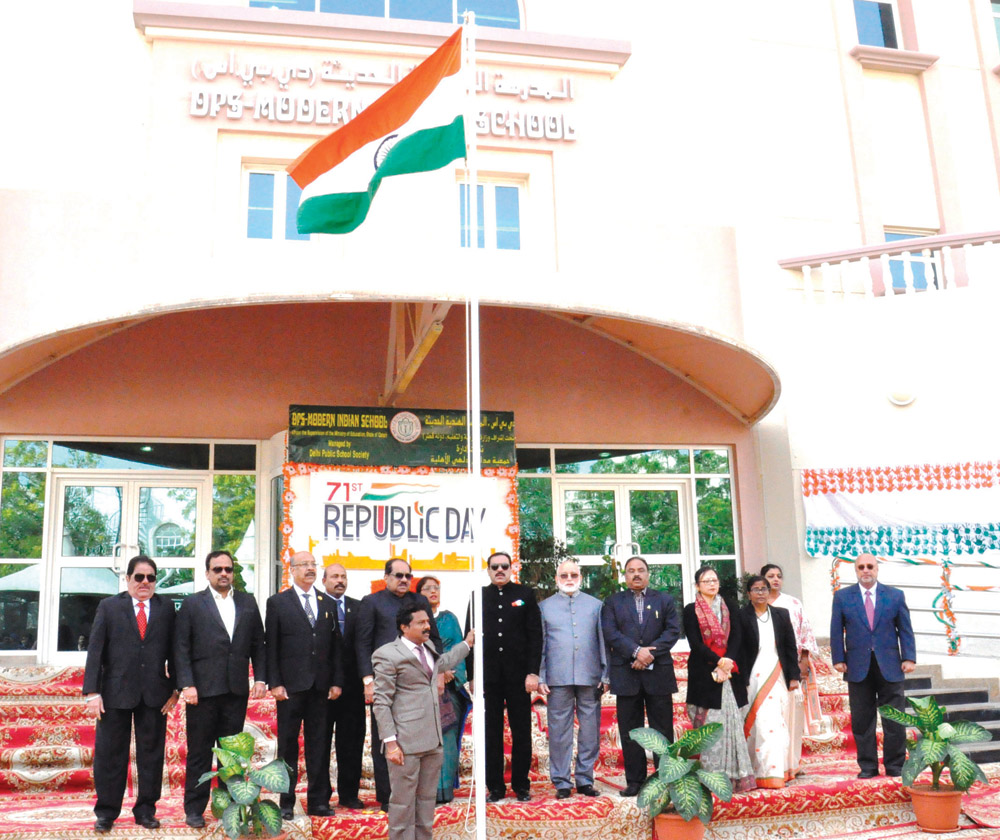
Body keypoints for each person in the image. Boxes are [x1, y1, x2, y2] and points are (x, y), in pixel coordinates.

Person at [83, 556, 179, 833]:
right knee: (110, 755)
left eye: (151, 577)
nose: (145, 582)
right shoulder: (109, 607)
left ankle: (146, 810)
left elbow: (175, 650)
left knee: (152, 755)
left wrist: (175, 689)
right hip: (114, 694)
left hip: (154, 695)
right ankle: (106, 812)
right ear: (128, 579)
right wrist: (92, 692)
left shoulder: (166, 608)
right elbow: (95, 651)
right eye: (139, 577)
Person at [175, 549, 267, 828]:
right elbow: (181, 648)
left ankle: (229, 808)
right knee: (200, 752)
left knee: (232, 755)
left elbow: (258, 645)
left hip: (235, 690)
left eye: (228, 569)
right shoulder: (193, 604)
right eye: (218, 569)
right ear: (207, 573)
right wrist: (187, 684)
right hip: (201, 692)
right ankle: (194, 809)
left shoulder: (248, 602)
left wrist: (261, 678)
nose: (224, 574)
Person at [373, 608, 474, 840]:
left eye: (428, 621)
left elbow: (443, 662)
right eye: (420, 623)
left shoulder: (427, 648)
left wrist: (467, 644)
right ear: (404, 627)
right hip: (404, 743)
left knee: (426, 804)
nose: (427, 626)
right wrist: (390, 744)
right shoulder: (387, 654)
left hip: (432, 740)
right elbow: (381, 703)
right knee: (402, 805)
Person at [356, 558, 441, 812]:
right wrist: (368, 680)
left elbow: (433, 638)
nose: (404, 580)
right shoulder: (372, 602)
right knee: (386, 737)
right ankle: (387, 797)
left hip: (418, 685)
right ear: (386, 577)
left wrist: (437, 674)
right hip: (385, 682)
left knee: (421, 739)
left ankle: (419, 795)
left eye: (408, 576)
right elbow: (362, 643)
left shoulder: (420, 602)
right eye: (398, 575)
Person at [265, 550, 343, 819]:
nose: (310, 568)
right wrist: (274, 683)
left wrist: (336, 681)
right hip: (290, 687)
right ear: (293, 570)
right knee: (288, 746)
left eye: (313, 564)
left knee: (319, 745)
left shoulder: (328, 602)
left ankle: (319, 801)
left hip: (321, 687)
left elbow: (336, 648)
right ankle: (286, 802)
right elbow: (271, 646)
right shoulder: (277, 602)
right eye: (305, 565)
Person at [830, 553, 916, 779]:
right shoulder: (842, 597)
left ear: (877, 569)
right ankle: (867, 766)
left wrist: (909, 657)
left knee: (894, 718)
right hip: (858, 667)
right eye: (861, 567)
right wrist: (838, 658)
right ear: (856, 571)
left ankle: (895, 765)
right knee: (862, 719)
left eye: (870, 566)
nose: (865, 570)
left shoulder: (895, 596)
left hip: (890, 666)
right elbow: (836, 630)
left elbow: (905, 629)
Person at [601, 555, 680, 797]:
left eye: (641, 570)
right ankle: (634, 781)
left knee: (662, 729)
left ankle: (665, 778)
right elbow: (610, 632)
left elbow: (673, 631)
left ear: (648, 574)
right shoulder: (613, 602)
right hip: (627, 674)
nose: (636, 574)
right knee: (630, 730)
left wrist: (648, 655)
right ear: (624, 576)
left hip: (659, 675)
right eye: (631, 571)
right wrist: (636, 652)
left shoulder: (664, 600)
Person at [470, 550, 542, 802]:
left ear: (512, 569)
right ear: (488, 570)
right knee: (492, 733)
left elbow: (535, 636)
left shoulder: (524, 595)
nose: (499, 570)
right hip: (489, 677)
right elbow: (471, 639)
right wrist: (472, 675)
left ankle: (521, 785)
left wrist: (533, 672)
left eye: (504, 566)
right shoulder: (478, 596)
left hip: (519, 677)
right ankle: (496, 787)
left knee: (521, 731)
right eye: (494, 567)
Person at [683, 565, 756, 793]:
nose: (712, 584)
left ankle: (737, 778)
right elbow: (694, 642)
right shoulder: (690, 610)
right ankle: (712, 779)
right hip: (703, 674)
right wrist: (717, 661)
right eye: (706, 581)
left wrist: (728, 661)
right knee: (710, 726)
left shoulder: (730, 607)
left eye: (714, 580)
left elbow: (737, 637)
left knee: (733, 724)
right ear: (697, 586)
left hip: (730, 673)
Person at [539, 559, 607, 799]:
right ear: (556, 578)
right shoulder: (544, 607)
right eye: (564, 575)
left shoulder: (596, 605)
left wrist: (605, 673)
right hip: (557, 677)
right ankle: (561, 782)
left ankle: (585, 779)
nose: (569, 579)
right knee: (559, 732)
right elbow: (542, 645)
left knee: (590, 730)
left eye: (573, 575)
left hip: (590, 676)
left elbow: (602, 641)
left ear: (581, 576)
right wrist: (541, 676)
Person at [739, 575, 800, 788]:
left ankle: (777, 772)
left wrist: (794, 676)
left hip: (778, 674)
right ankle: (758, 771)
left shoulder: (781, 615)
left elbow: (790, 647)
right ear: (748, 594)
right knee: (760, 723)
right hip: (753, 677)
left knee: (776, 723)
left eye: (764, 589)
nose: (761, 593)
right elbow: (737, 649)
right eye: (756, 589)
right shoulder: (741, 616)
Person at [762, 562, 821, 775]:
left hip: (791, 666)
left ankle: (793, 764)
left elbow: (805, 633)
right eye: (770, 576)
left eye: (779, 575)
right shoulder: (757, 605)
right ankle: (773, 765)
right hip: (766, 667)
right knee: (771, 718)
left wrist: (803, 661)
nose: (775, 579)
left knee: (793, 717)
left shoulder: (793, 603)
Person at [415, 575, 470, 804]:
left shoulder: (449, 619)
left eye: (436, 588)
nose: (433, 591)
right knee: (425, 738)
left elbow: (460, 648)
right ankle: (426, 790)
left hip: (449, 688)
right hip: (422, 688)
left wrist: (449, 673)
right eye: (427, 588)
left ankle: (445, 789)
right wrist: (436, 671)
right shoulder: (414, 620)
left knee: (446, 737)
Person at [321, 563, 366, 810]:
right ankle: (322, 795)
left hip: (353, 689)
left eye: (343, 577)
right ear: (324, 579)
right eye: (335, 576)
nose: (340, 580)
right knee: (322, 744)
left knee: (351, 743)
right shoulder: (315, 604)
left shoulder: (358, 607)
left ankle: (349, 794)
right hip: (322, 688)